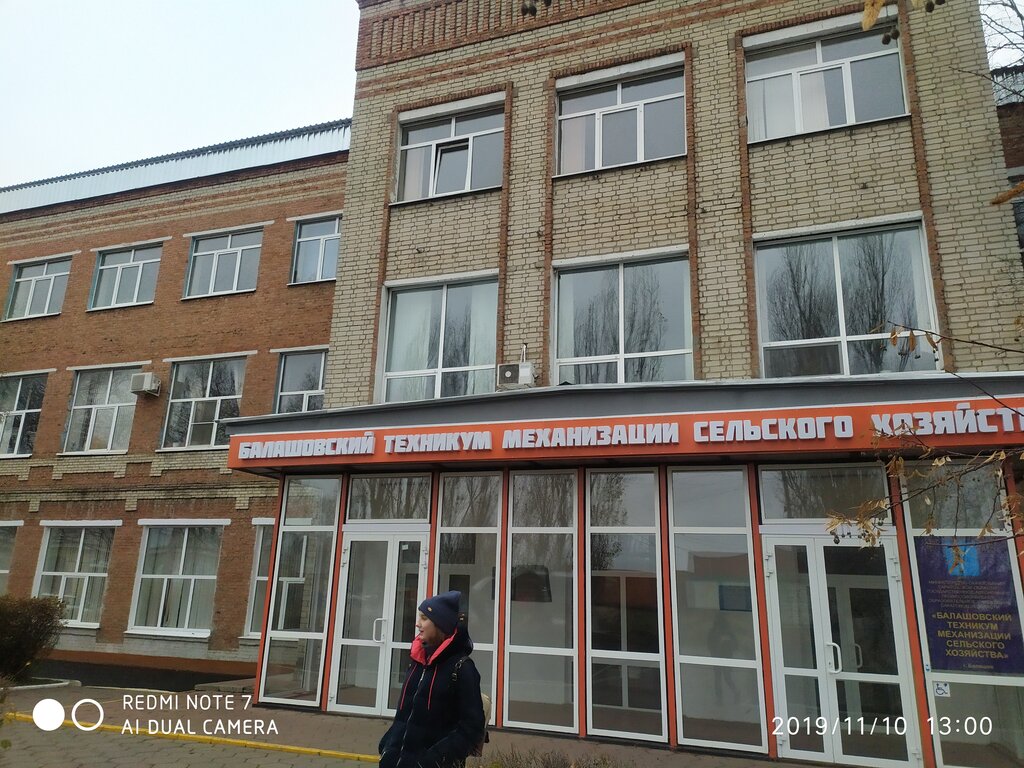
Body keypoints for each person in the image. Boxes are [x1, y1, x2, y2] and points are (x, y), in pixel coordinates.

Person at [379, 590, 485, 768]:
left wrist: (431, 761)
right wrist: (387, 746)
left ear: (440, 624)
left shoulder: (462, 668)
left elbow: (471, 729)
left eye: (424, 618)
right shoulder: (418, 661)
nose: (417, 624)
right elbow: (404, 715)